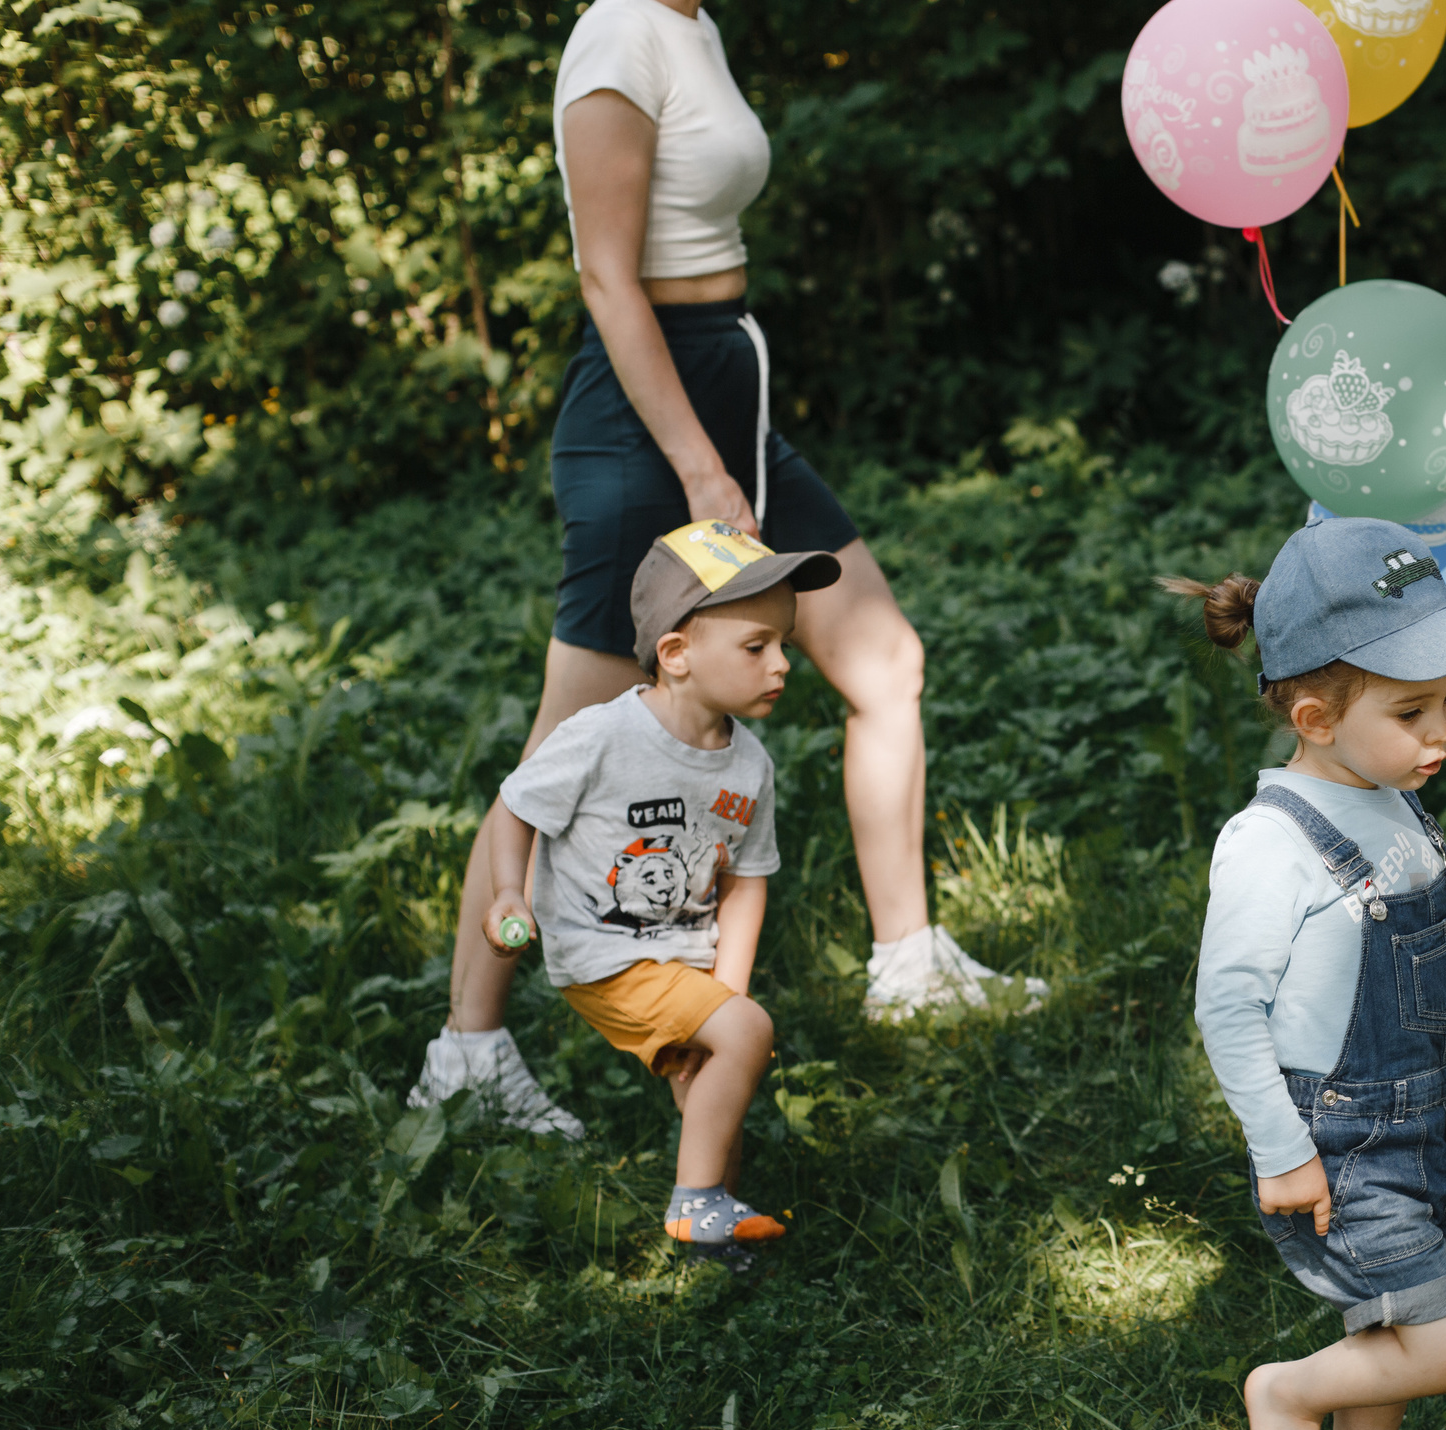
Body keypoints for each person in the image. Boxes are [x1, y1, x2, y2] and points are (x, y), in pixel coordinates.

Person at [410, 0, 1038, 1138]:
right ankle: (467, 1054)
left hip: (726, 392)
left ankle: (905, 964)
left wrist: (723, 447)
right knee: (559, 756)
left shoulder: (689, 24)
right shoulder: (618, 33)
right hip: (650, 419)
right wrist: (699, 471)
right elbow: (608, 281)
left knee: (885, 660)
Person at [1173, 518, 1446, 1430]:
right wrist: (1280, 1152)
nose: (1443, 731)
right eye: (1413, 709)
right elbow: (1228, 1010)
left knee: (1389, 1343)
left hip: (1419, 1122)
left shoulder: (1395, 807)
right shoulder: (1269, 844)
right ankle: (1281, 1391)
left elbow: (1416, 992)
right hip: (1336, 1148)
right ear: (1315, 716)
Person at [484, 525, 829, 1255]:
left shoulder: (749, 766)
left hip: (687, 955)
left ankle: (719, 1227)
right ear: (676, 655)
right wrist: (507, 894)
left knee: (716, 1074)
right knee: (746, 1034)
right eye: (756, 646)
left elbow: (748, 882)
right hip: (601, 951)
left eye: (785, 646)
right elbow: (515, 805)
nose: (781, 665)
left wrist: (726, 991)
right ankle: (694, 1204)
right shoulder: (603, 735)